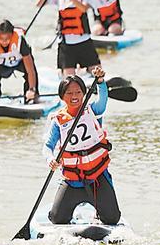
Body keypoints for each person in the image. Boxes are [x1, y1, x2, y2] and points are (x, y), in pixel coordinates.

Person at [44, 68, 121, 226]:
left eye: (78, 92)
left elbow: (103, 100)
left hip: (97, 176)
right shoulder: (58, 121)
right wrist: (50, 158)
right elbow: (48, 146)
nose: (74, 96)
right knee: (58, 219)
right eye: (69, 93)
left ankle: (99, 213)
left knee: (112, 219)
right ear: (62, 96)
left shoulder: (93, 110)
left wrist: (100, 82)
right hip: (72, 180)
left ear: (84, 94)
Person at [36, 0, 102, 77]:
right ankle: (72, 71)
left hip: (84, 41)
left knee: (98, 72)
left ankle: (85, 71)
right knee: (69, 77)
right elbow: (39, 4)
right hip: (66, 44)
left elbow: (83, 8)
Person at [0, 20, 38, 103]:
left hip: (20, 64)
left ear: (12, 35)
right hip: (2, 66)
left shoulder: (21, 42)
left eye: (7, 38)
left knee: (31, 71)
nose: (4, 41)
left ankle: (31, 97)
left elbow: (30, 70)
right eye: (1, 38)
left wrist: (32, 89)